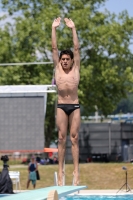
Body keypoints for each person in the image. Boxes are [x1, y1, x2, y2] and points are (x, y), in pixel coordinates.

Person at [52, 17, 80, 186]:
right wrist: (53, 28)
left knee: (74, 138)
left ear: (71, 60)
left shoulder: (76, 68)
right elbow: (54, 48)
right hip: (61, 106)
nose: (64, 61)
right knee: (61, 138)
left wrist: (73, 29)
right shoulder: (57, 68)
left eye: (66, 59)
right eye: (62, 59)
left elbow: (76, 48)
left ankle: (76, 171)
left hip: (75, 105)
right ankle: (61, 171)